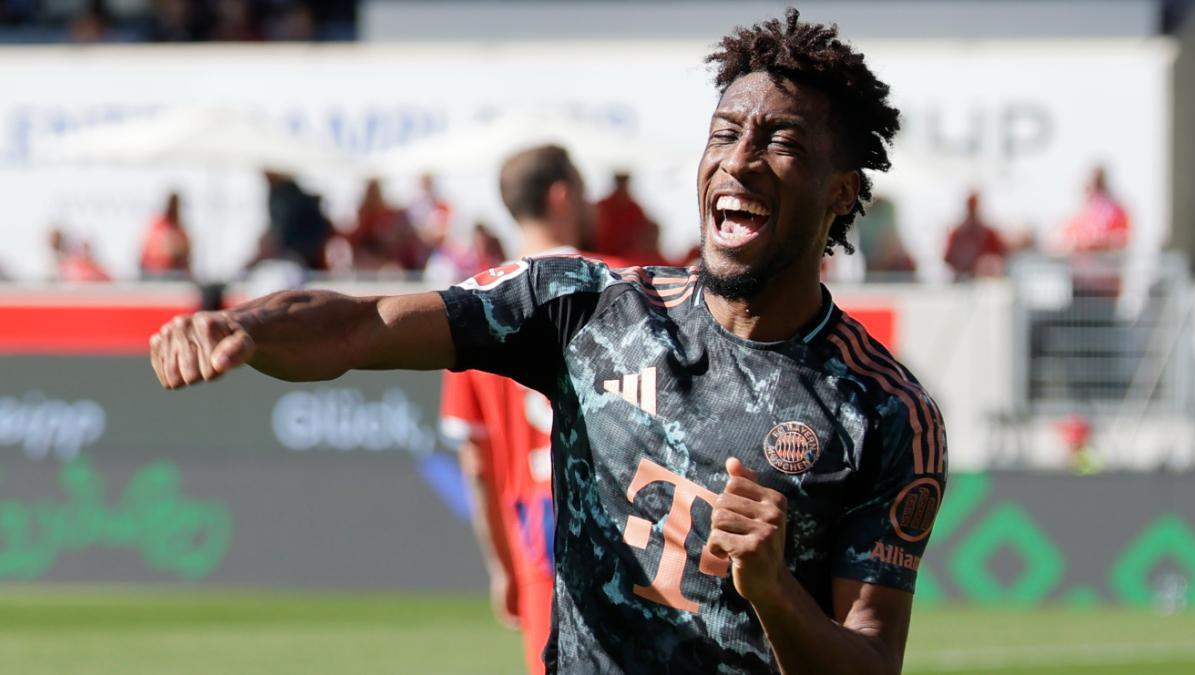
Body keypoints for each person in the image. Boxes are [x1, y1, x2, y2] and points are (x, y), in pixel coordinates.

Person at [149, 10, 945, 674]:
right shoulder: (586, 305)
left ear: (841, 194)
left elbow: (872, 662)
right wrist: (245, 326)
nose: (740, 159)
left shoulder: (883, 410)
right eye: (725, 132)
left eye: (782, 143)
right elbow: (360, 325)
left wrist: (775, 593)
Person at [440, 145, 614, 675]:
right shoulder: (626, 283)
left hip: (538, 533)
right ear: (563, 196)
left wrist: (502, 568)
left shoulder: (474, 307)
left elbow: (476, 464)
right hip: (624, 524)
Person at [1054, 165, 1130, 254]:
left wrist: (1094, 242)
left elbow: (1120, 238)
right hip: (1082, 262)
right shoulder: (1085, 212)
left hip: (1104, 263)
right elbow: (1061, 238)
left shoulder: (1113, 210)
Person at [944, 191, 1006, 280]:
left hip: (984, 282)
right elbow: (948, 258)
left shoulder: (988, 233)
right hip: (962, 280)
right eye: (971, 207)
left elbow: (999, 255)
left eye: (975, 206)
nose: (973, 210)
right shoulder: (958, 234)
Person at [593, 171, 649, 259]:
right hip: (603, 254)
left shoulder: (634, 209)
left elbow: (642, 233)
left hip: (627, 257)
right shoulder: (603, 205)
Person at [140, 192, 192, 279]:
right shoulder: (158, 225)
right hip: (154, 274)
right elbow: (153, 251)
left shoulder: (179, 228)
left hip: (175, 274)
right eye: (172, 204)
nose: (174, 207)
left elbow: (185, 249)